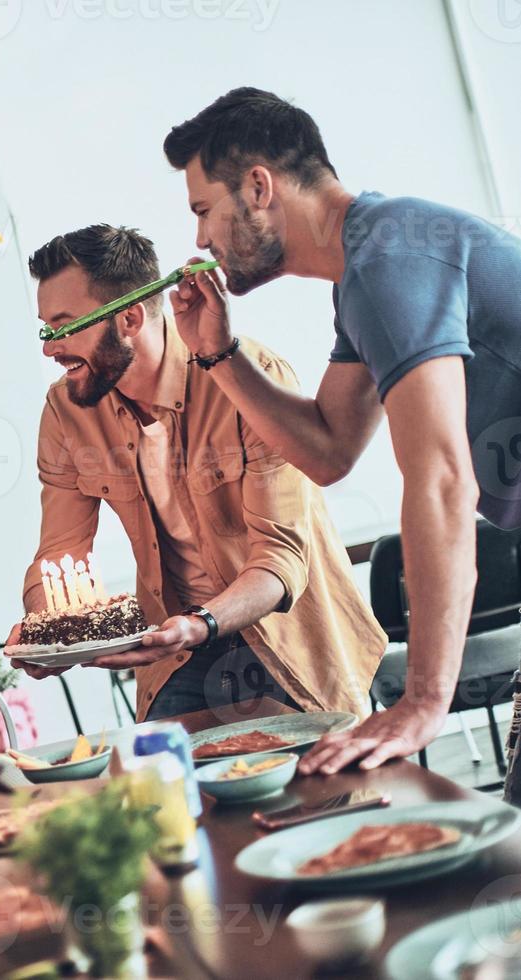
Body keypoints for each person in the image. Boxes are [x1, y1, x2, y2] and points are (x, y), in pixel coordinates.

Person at [161, 87, 521, 781]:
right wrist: (217, 355)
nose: (199, 239)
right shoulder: (367, 267)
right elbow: (329, 448)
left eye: (203, 210)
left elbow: (443, 479)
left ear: (258, 186)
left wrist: (421, 703)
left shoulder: (389, 258)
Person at [11, 224, 385, 721]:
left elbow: (279, 559)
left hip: (286, 639)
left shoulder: (250, 378)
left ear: (128, 317)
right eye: (46, 329)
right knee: (164, 790)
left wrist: (202, 623)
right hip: (175, 653)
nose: (49, 349)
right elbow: (58, 552)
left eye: (64, 327)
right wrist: (46, 631)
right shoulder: (66, 411)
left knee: (319, 791)